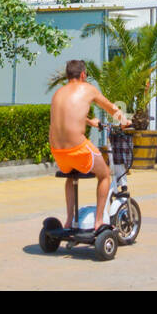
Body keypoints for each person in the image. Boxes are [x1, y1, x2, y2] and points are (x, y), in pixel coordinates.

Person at [49, 58, 130, 230]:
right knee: (105, 174)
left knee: (71, 176)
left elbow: (67, 116)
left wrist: (89, 121)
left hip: (57, 152)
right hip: (77, 149)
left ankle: (70, 220)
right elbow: (111, 108)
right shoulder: (88, 89)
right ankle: (99, 221)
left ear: (68, 75)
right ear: (83, 74)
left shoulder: (58, 93)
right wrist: (125, 121)